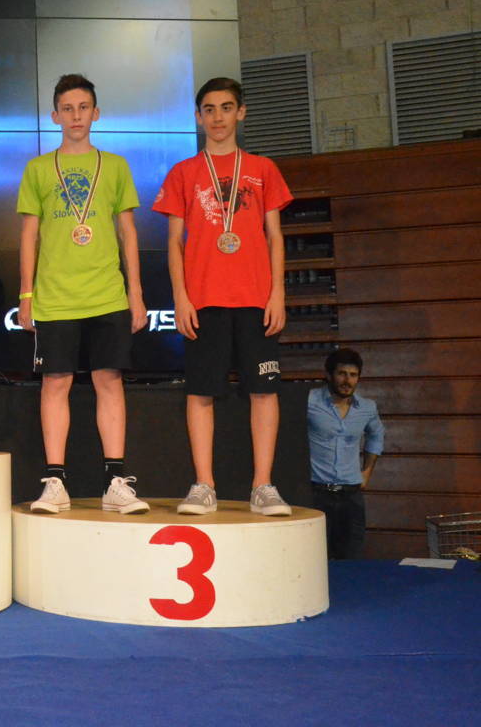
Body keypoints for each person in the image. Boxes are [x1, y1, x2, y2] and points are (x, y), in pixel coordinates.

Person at [152, 77, 294, 516]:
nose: (218, 117)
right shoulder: (183, 173)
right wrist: (180, 297)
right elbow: (173, 242)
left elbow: (275, 236)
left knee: (264, 392)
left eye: (226, 108)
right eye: (209, 109)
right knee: (200, 392)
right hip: (204, 300)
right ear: (198, 117)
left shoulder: (263, 169)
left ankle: (263, 486)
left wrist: (278, 293)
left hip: (255, 299)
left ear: (241, 112)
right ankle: (204, 485)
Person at [17, 74, 149, 514]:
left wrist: (135, 293)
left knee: (109, 381)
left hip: (107, 295)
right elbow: (29, 235)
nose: (76, 116)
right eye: (68, 109)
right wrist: (26, 294)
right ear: (55, 116)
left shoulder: (115, 166)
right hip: (55, 296)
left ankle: (115, 482)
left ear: (96, 113)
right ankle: (55, 482)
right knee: (55, 382)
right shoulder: (38, 169)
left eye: (83, 107)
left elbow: (128, 233)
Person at [308, 348, 383, 559]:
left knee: (352, 559)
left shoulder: (367, 407)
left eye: (353, 375)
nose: (347, 381)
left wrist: (367, 471)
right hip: (316, 493)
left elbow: (376, 435)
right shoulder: (309, 401)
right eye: (342, 374)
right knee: (314, 558)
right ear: (328, 375)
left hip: (351, 495)